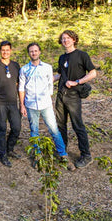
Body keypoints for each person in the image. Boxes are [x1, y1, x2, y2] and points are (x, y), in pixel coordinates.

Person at [19, 42, 73, 170]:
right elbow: (21, 88)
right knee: (34, 131)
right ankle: (37, 156)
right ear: (29, 54)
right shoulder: (24, 69)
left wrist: (49, 97)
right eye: (31, 51)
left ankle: (63, 155)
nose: (34, 53)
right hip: (31, 104)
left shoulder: (47, 67)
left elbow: (50, 84)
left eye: (36, 51)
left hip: (45, 104)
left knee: (54, 129)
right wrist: (22, 105)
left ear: (40, 52)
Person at [54, 30, 97, 169]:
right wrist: (45, 79)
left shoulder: (82, 55)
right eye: (63, 38)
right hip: (61, 95)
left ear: (74, 39)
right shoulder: (62, 58)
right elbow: (60, 75)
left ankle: (86, 155)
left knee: (77, 125)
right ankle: (62, 152)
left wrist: (77, 81)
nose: (65, 40)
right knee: (60, 126)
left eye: (67, 38)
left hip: (73, 96)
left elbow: (93, 73)